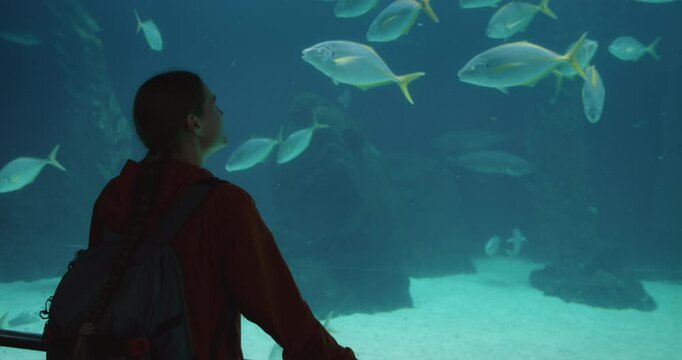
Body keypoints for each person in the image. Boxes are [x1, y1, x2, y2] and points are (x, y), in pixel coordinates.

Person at [87, 70, 357, 359]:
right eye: (214, 105)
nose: (221, 111)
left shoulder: (113, 196)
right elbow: (281, 309)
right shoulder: (223, 204)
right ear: (195, 123)